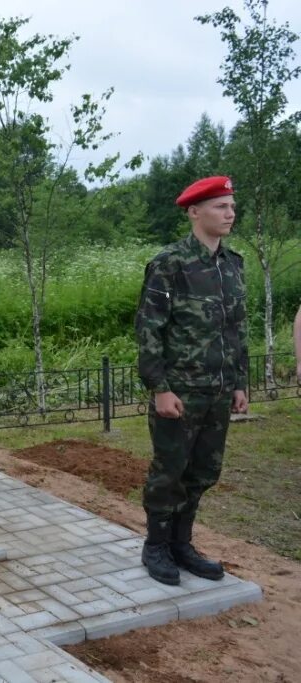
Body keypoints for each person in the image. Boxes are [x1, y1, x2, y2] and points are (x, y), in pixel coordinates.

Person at [135, 175, 249, 586]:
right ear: (194, 211)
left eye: (232, 206)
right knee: (169, 471)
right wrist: (160, 388)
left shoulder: (233, 265)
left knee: (202, 472)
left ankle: (182, 544)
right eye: (221, 206)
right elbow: (150, 329)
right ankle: (156, 546)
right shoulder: (171, 263)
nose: (230, 213)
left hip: (218, 391)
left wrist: (239, 382)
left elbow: (236, 328)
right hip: (179, 391)